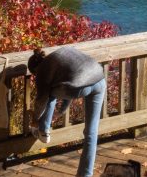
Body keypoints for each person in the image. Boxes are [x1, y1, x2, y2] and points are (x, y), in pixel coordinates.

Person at [27, 46, 107, 177]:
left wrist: (35, 119)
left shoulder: (42, 70)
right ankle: (85, 174)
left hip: (80, 86)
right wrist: (61, 111)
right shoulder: (61, 54)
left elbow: (41, 100)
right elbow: (71, 79)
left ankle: (44, 130)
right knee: (91, 132)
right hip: (99, 79)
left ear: (35, 70)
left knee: (48, 93)